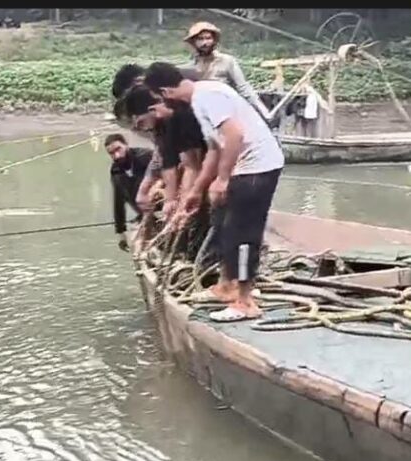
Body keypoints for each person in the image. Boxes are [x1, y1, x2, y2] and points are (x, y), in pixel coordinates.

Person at [144, 62, 284, 322]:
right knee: (222, 223)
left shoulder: (209, 95)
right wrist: (197, 191)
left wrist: (223, 178)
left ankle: (245, 302)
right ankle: (225, 286)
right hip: (242, 167)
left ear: (165, 92)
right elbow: (215, 149)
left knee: (243, 234)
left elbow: (235, 135)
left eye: (158, 99)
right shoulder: (198, 100)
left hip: (258, 167)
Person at [121, 84, 211, 262]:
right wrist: (167, 200)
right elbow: (166, 162)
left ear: (153, 108)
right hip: (199, 165)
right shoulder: (161, 126)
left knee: (198, 208)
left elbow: (192, 165)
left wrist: (182, 204)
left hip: (221, 162)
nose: (140, 129)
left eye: (140, 122)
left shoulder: (181, 116)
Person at [183, 21, 272, 121]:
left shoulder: (227, 61)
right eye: (200, 39)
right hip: (202, 113)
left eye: (208, 38)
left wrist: (263, 111)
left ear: (214, 40)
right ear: (194, 42)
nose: (205, 43)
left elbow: (243, 88)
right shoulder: (191, 65)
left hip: (225, 112)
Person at [105, 134, 151, 251]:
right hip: (143, 214)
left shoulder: (146, 156)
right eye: (111, 153)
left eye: (118, 149)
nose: (116, 155)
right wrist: (121, 232)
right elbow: (118, 201)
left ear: (126, 145)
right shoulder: (115, 170)